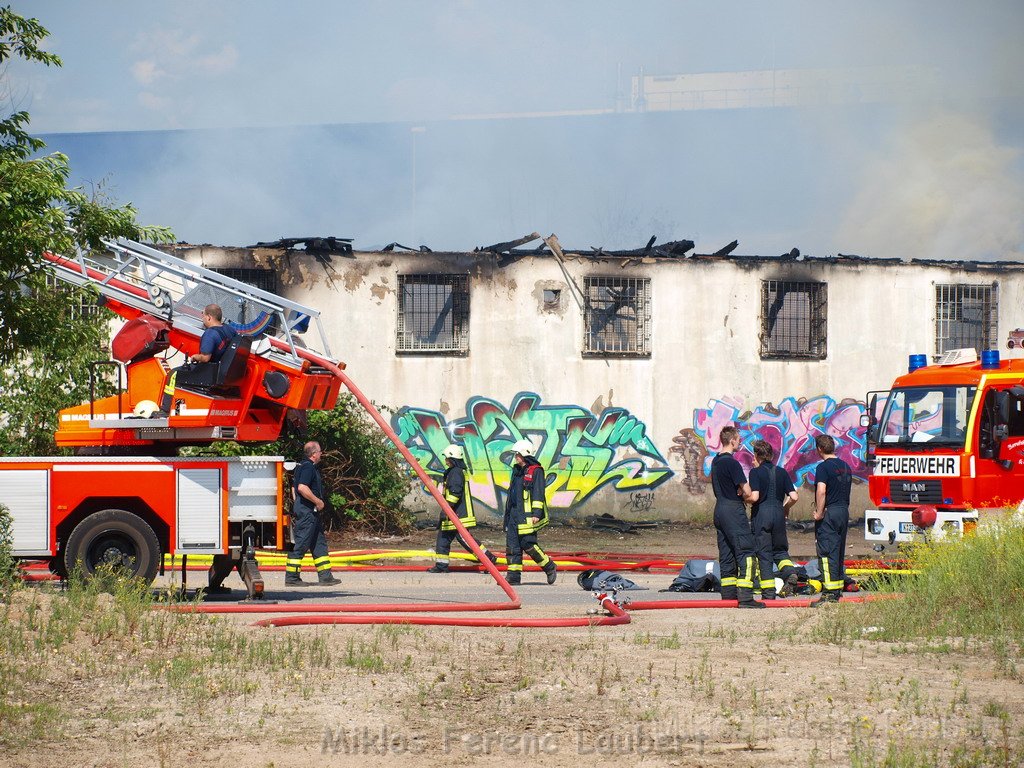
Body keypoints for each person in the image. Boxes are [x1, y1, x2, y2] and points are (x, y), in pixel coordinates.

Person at [712, 426, 763, 608]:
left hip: (719, 509)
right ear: (732, 440)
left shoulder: (715, 461)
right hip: (733, 509)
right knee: (747, 552)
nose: (740, 442)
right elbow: (747, 490)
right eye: (738, 439)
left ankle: (728, 596)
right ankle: (746, 598)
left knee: (727, 554)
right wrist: (747, 496)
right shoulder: (732, 463)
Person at [427, 444, 498, 573]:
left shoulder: (456, 472)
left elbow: (455, 493)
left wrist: (446, 509)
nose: (445, 460)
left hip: (459, 514)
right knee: (443, 538)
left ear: (453, 458)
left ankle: (489, 559)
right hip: (452, 514)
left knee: (466, 540)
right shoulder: (453, 471)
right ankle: (441, 566)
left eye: (447, 458)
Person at [745, 439, 799, 600]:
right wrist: (785, 508)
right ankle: (790, 573)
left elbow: (754, 497)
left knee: (764, 554)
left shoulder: (755, 472)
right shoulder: (782, 472)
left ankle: (768, 593)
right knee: (781, 551)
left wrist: (743, 499)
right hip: (778, 515)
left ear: (757, 455)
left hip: (762, 515)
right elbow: (794, 496)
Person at [160, 303, 238, 413]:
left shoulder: (210, 334)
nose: (202, 319)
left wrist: (195, 357)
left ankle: (167, 410)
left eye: (203, 316)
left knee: (173, 374)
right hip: (221, 371)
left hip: (208, 372)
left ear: (209, 317)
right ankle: (176, 410)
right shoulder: (230, 330)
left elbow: (205, 358)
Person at [285, 441, 341, 587]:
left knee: (319, 544)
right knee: (300, 543)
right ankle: (292, 577)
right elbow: (302, 487)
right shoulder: (308, 467)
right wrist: (317, 502)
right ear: (314, 454)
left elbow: (294, 488)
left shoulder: (301, 466)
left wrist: (298, 503)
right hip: (308, 512)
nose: (321, 454)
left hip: (309, 512)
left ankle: (325, 576)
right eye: (320, 451)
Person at [502, 438, 557, 586]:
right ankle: (513, 576)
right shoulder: (517, 471)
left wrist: (536, 513)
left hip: (526, 515)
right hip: (513, 513)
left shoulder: (536, 471)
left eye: (517, 454)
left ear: (525, 454)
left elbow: (539, 493)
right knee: (512, 545)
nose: (516, 457)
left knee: (528, 543)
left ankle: (549, 566)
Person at [812, 434, 852, 606]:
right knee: (838, 551)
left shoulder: (823, 467)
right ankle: (836, 591)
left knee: (827, 552)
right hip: (843, 511)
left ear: (819, 449)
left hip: (830, 512)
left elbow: (821, 491)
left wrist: (819, 512)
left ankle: (828, 593)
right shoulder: (846, 466)